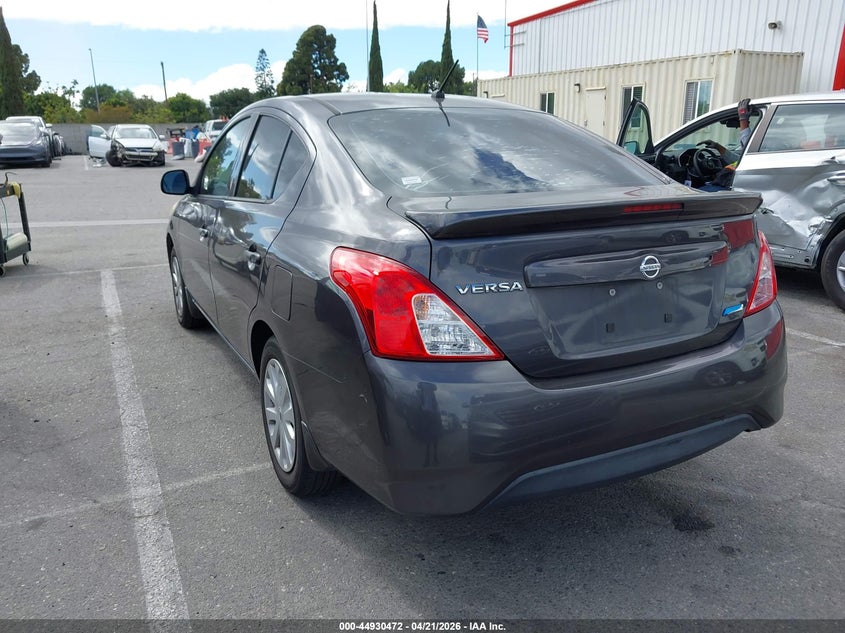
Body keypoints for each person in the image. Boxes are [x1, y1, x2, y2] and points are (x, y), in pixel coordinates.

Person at [699, 98, 752, 191]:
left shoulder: (761, 149)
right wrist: (718, 147)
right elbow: (740, 160)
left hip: (729, 185)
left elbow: (748, 147)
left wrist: (743, 119)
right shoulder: (763, 146)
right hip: (728, 182)